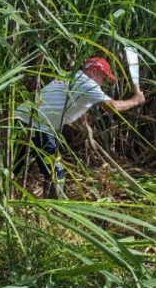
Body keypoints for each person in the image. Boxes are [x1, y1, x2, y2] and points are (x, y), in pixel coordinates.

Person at [14, 57, 145, 198]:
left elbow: (70, 101)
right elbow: (111, 107)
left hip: (20, 121)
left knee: (14, 167)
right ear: (94, 71)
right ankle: (54, 210)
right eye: (103, 78)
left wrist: (84, 125)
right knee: (57, 172)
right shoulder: (87, 84)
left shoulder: (69, 76)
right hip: (37, 126)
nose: (103, 83)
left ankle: (4, 200)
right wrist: (135, 101)